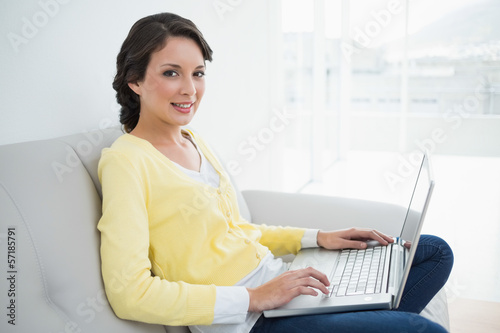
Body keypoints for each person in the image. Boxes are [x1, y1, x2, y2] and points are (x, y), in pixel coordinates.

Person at [97, 12, 453, 333]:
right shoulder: (126, 161)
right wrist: (254, 298)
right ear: (135, 80)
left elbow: (235, 229)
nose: (190, 89)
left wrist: (319, 237)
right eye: (171, 73)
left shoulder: (193, 140)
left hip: (281, 289)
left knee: (435, 252)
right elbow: (130, 293)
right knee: (422, 330)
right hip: (250, 320)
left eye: (198, 73)